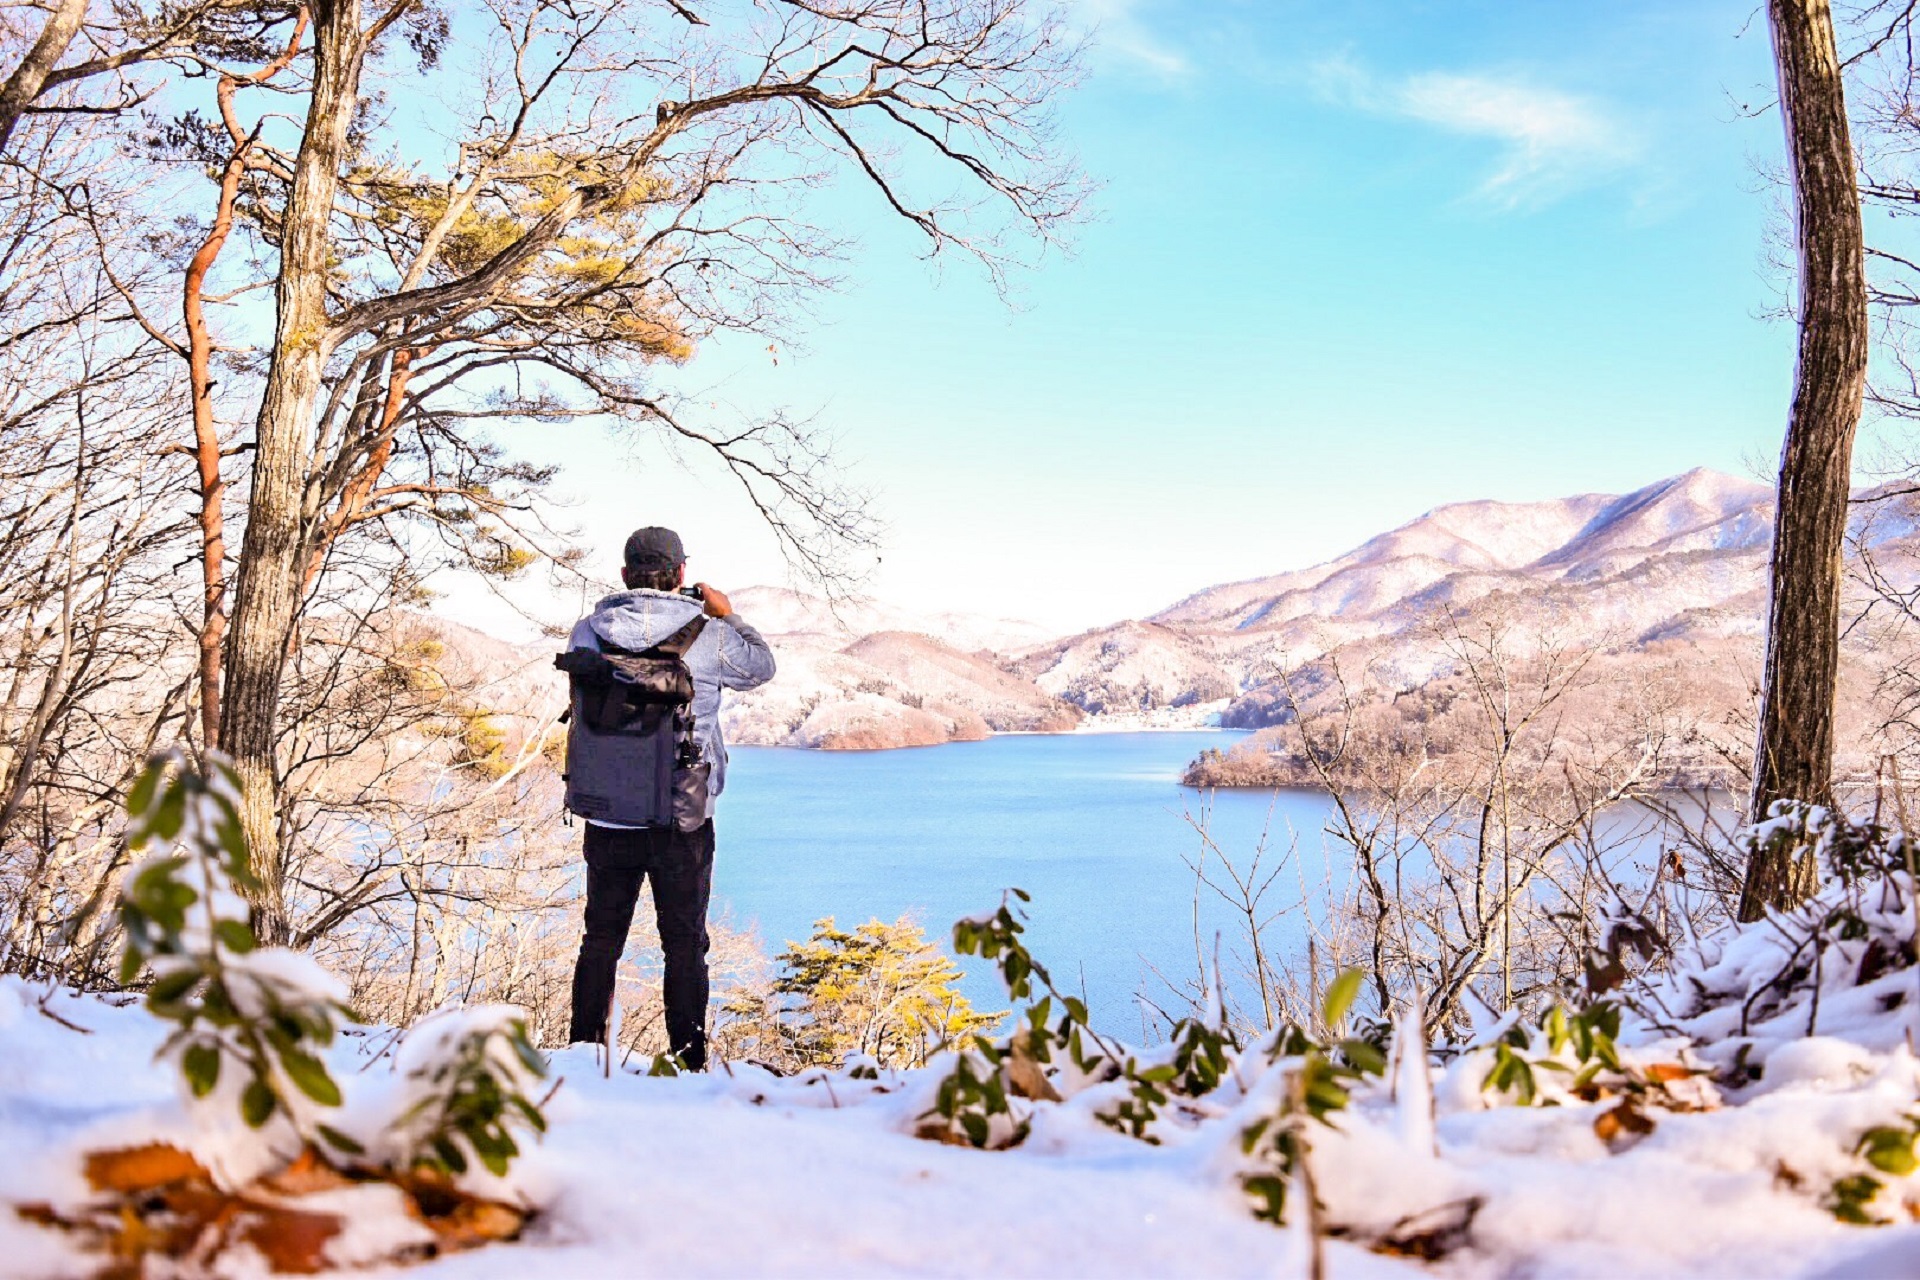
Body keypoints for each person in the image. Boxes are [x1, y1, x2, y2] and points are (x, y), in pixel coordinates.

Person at [563, 526, 775, 1068]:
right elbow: (762, 668)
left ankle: (583, 1058)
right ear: (682, 575)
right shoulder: (708, 633)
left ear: (625, 574)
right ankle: (688, 1062)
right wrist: (727, 614)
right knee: (684, 945)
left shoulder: (587, 633)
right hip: (682, 818)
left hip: (607, 813)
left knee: (601, 939)